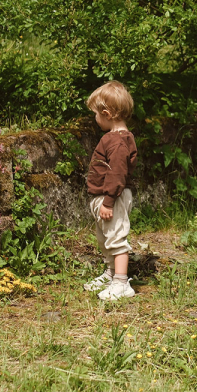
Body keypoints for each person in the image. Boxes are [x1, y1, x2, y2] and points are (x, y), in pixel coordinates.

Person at [83, 81, 139, 301]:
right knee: (105, 238)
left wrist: (107, 202)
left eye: (96, 114)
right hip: (106, 197)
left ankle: (122, 283)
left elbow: (117, 173)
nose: (95, 118)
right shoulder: (115, 138)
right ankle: (111, 274)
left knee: (116, 239)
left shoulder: (117, 142)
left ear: (106, 113)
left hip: (112, 197)